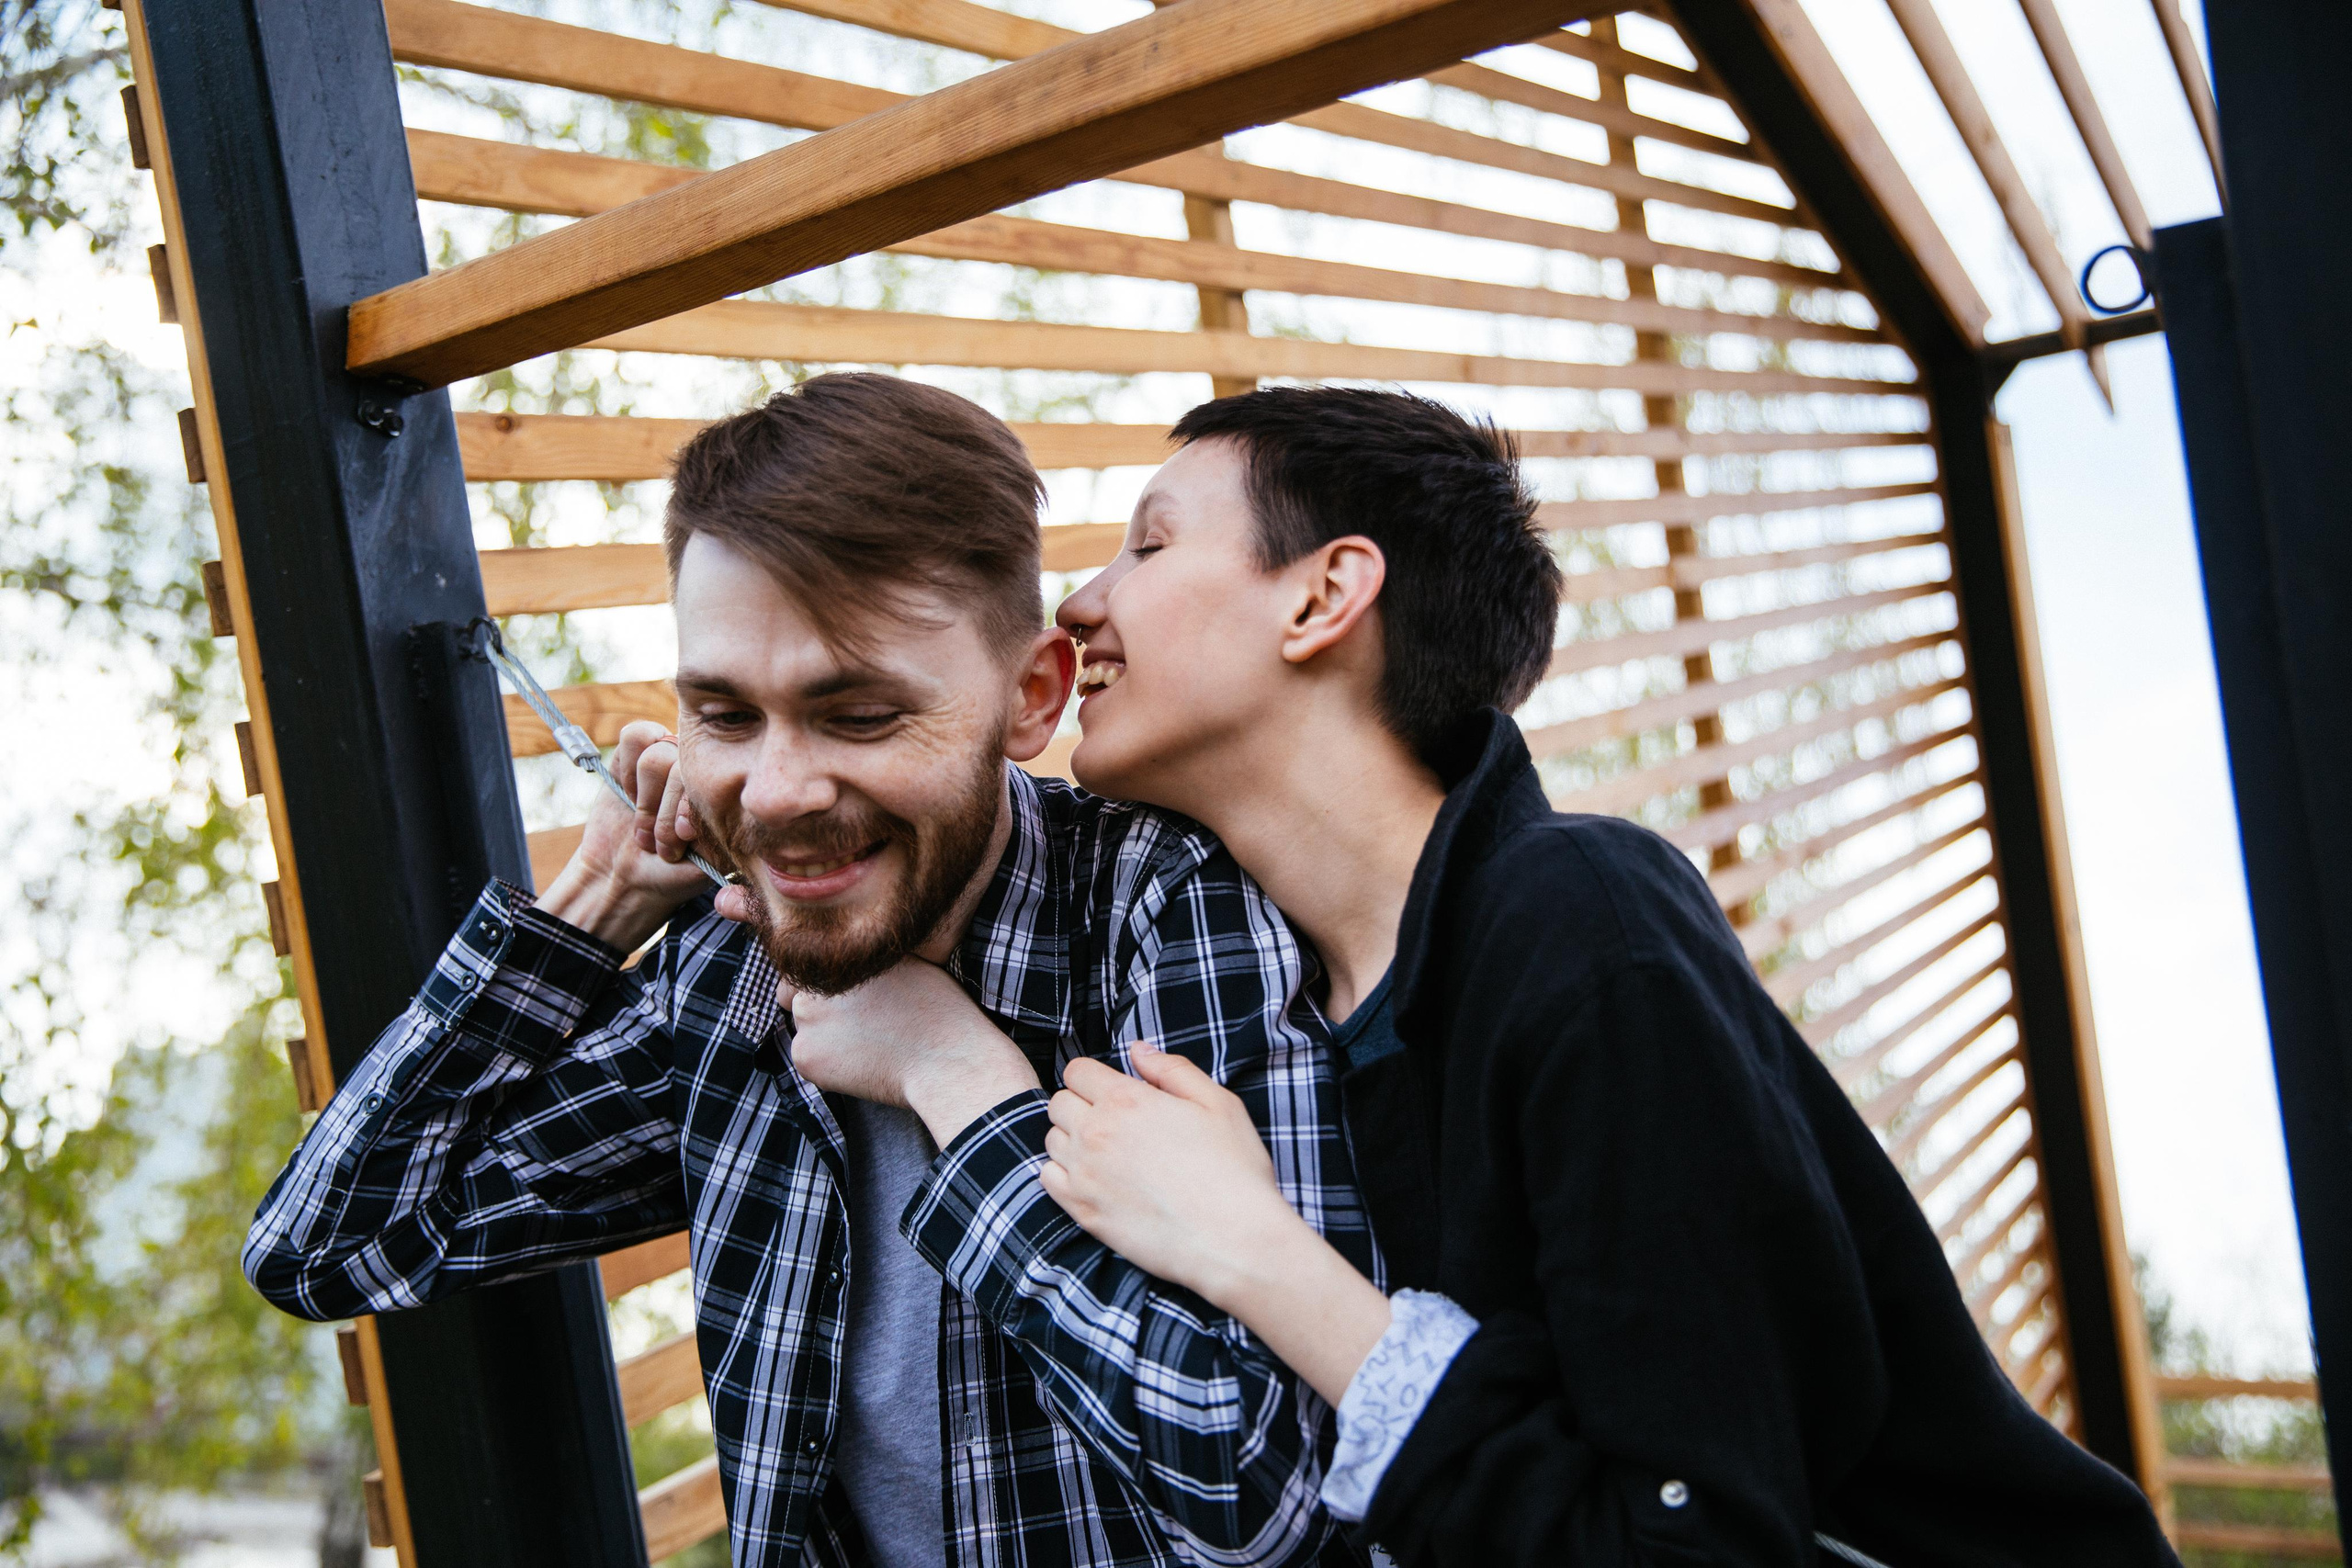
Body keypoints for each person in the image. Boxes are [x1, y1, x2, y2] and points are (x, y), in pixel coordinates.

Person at [842, 388, 2181, 1566]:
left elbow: (1692, 1541)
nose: (1083, 602)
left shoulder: (1585, 927)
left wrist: (1258, 1257)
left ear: (1323, 596)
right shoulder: (1275, 991)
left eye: (1149, 542)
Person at [241, 374, 1380, 1568]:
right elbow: (330, 1245)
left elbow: (1282, 1502)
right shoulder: (732, 966)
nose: (777, 795)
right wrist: (599, 904)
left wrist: (961, 1086)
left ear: (1030, 695)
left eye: (859, 715)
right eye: (726, 717)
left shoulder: (1164, 913)